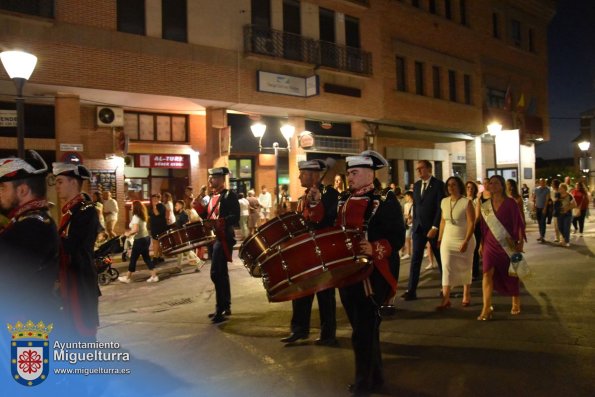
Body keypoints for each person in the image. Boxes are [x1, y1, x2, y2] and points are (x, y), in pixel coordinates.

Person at [337, 150, 405, 394]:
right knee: (364, 329)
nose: (349, 178)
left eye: (354, 173)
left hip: (373, 275)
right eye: (348, 174)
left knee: (363, 331)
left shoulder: (386, 201)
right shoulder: (344, 200)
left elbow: (397, 237)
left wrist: (373, 246)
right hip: (348, 273)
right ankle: (375, 377)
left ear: (369, 174)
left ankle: (363, 383)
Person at [280, 160, 339, 346]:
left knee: (325, 294)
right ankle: (299, 330)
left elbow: (326, 220)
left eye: (302, 173)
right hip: (306, 252)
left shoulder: (329, 194)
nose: (298, 177)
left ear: (313, 175)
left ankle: (328, 334)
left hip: (323, 251)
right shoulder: (304, 197)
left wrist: (317, 202)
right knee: (301, 291)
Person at [0, 151, 60, 321]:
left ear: (23, 190)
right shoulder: (31, 221)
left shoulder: (32, 226)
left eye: (3, 187)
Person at [53, 162, 101, 340]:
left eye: (60, 182)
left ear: (73, 183)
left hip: (80, 284)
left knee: (83, 335)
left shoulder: (85, 210)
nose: (56, 187)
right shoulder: (71, 211)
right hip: (69, 283)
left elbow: (73, 246)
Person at [478, 175, 525, 320]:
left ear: (502, 185)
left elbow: (519, 223)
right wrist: (481, 243)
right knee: (486, 273)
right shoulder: (485, 205)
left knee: (513, 272)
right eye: (490, 183)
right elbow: (483, 227)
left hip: (508, 242)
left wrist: (520, 242)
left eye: (496, 183)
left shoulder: (511, 203)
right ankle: (486, 307)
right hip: (490, 243)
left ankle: (515, 300)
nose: (492, 185)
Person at [199, 167, 240, 324]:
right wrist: (199, 198)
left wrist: (220, 222)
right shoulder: (209, 197)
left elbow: (235, 216)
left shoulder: (230, 195)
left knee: (216, 272)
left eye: (214, 177)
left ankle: (220, 308)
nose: (211, 180)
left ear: (222, 179)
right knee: (222, 273)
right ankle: (225, 305)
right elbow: (203, 213)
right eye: (210, 177)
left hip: (223, 237)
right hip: (213, 237)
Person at [401, 160, 445, 301]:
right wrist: (413, 222)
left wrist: (435, 227)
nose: (418, 171)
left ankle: (445, 288)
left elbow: (440, 208)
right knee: (415, 260)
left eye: (421, 168)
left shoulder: (438, 185)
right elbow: (417, 206)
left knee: (440, 259)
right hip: (418, 228)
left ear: (428, 169)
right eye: (417, 169)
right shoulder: (417, 185)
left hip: (432, 228)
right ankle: (411, 290)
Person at [437, 177, 475, 309]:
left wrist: (466, 240)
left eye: (453, 185)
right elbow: (443, 221)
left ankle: (466, 294)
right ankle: (446, 299)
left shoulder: (467, 202)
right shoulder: (444, 201)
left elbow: (471, 222)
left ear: (459, 186)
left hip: (464, 238)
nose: (451, 187)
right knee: (446, 267)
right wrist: (440, 238)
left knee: (466, 266)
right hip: (448, 238)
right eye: (449, 185)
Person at [118, 200, 159, 283]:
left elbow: (135, 229)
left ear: (136, 207)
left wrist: (128, 233)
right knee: (146, 258)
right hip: (146, 238)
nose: (131, 208)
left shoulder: (136, 217)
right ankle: (154, 276)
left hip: (139, 240)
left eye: (132, 206)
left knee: (133, 258)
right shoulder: (142, 216)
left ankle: (127, 278)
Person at [465, 181, 482, 280]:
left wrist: (472, 226)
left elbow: (477, 216)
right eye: (468, 187)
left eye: (472, 188)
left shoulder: (476, 200)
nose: (470, 190)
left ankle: (474, 272)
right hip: (464, 228)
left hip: (475, 229)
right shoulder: (462, 200)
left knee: (474, 251)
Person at [149, 193, 168, 262]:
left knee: (156, 242)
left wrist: (154, 206)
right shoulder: (152, 206)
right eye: (152, 199)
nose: (153, 200)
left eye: (155, 199)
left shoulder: (161, 206)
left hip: (160, 227)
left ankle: (155, 257)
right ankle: (160, 256)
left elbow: (157, 214)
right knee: (158, 242)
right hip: (154, 226)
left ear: (158, 199)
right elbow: (150, 215)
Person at [401, 190, 413, 260]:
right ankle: (408, 253)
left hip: (415, 223)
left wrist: (411, 218)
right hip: (408, 224)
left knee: (415, 239)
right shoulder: (405, 205)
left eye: (406, 196)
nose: (405, 198)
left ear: (409, 196)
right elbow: (405, 214)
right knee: (407, 238)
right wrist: (407, 217)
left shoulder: (415, 204)